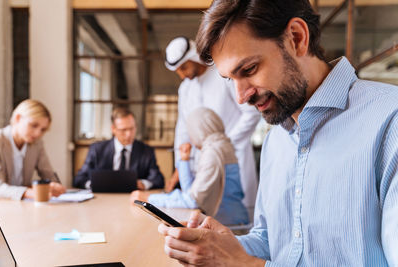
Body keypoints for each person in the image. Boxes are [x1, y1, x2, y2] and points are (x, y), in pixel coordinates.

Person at [158, 0, 398, 266]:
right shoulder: (277, 140)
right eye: (230, 80)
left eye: (248, 70)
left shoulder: (390, 122)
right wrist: (223, 246)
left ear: (296, 38)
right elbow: (271, 242)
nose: (240, 97)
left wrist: (243, 264)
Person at [164, 36, 260, 210]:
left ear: (194, 57)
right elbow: (183, 128)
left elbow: (251, 113)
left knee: (239, 220)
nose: (182, 74)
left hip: (234, 159)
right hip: (201, 166)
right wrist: (179, 165)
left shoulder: (224, 75)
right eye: (177, 71)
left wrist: (224, 146)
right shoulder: (185, 88)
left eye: (184, 67)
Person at [131, 108, 249, 225]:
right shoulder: (222, 145)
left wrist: (149, 198)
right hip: (234, 220)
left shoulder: (213, 153)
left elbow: (192, 201)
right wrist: (184, 161)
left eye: (191, 132)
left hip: (228, 226)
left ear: (199, 130)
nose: (191, 139)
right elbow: (192, 193)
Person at [73, 107, 164, 190]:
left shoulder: (146, 151)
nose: (129, 134)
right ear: (113, 129)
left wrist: (144, 184)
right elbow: (79, 179)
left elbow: (158, 179)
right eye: (123, 130)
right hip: (103, 200)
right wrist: (94, 184)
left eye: (132, 129)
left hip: (133, 199)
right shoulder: (97, 149)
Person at [0, 99, 66, 200]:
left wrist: (55, 186)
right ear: (18, 118)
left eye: (43, 129)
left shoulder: (36, 144)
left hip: (22, 206)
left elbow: (48, 174)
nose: (38, 133)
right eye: (34, 125)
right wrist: (28, 192)